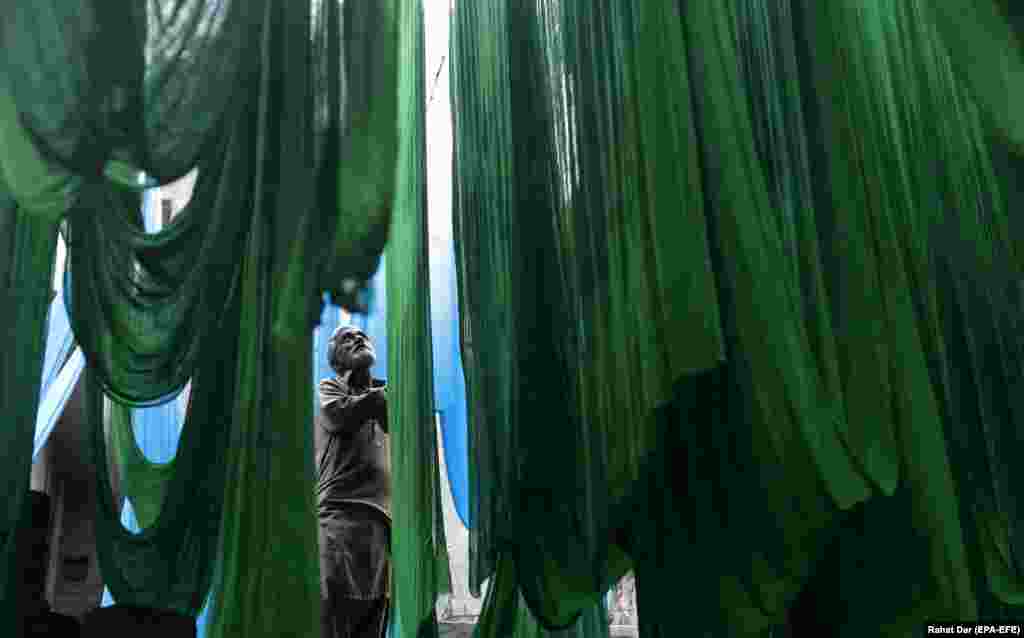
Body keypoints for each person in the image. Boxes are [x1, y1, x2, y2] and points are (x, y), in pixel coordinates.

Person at [317, 325, 391, 638]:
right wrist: (383, 396)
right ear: (335, 359)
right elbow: (338, 415)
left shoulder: (387, 395)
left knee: (372, 623)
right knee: (334, 621)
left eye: (363, 335)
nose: (359, 338)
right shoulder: (330, 389)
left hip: (381, 532)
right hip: (340, 528)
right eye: (347, 338)